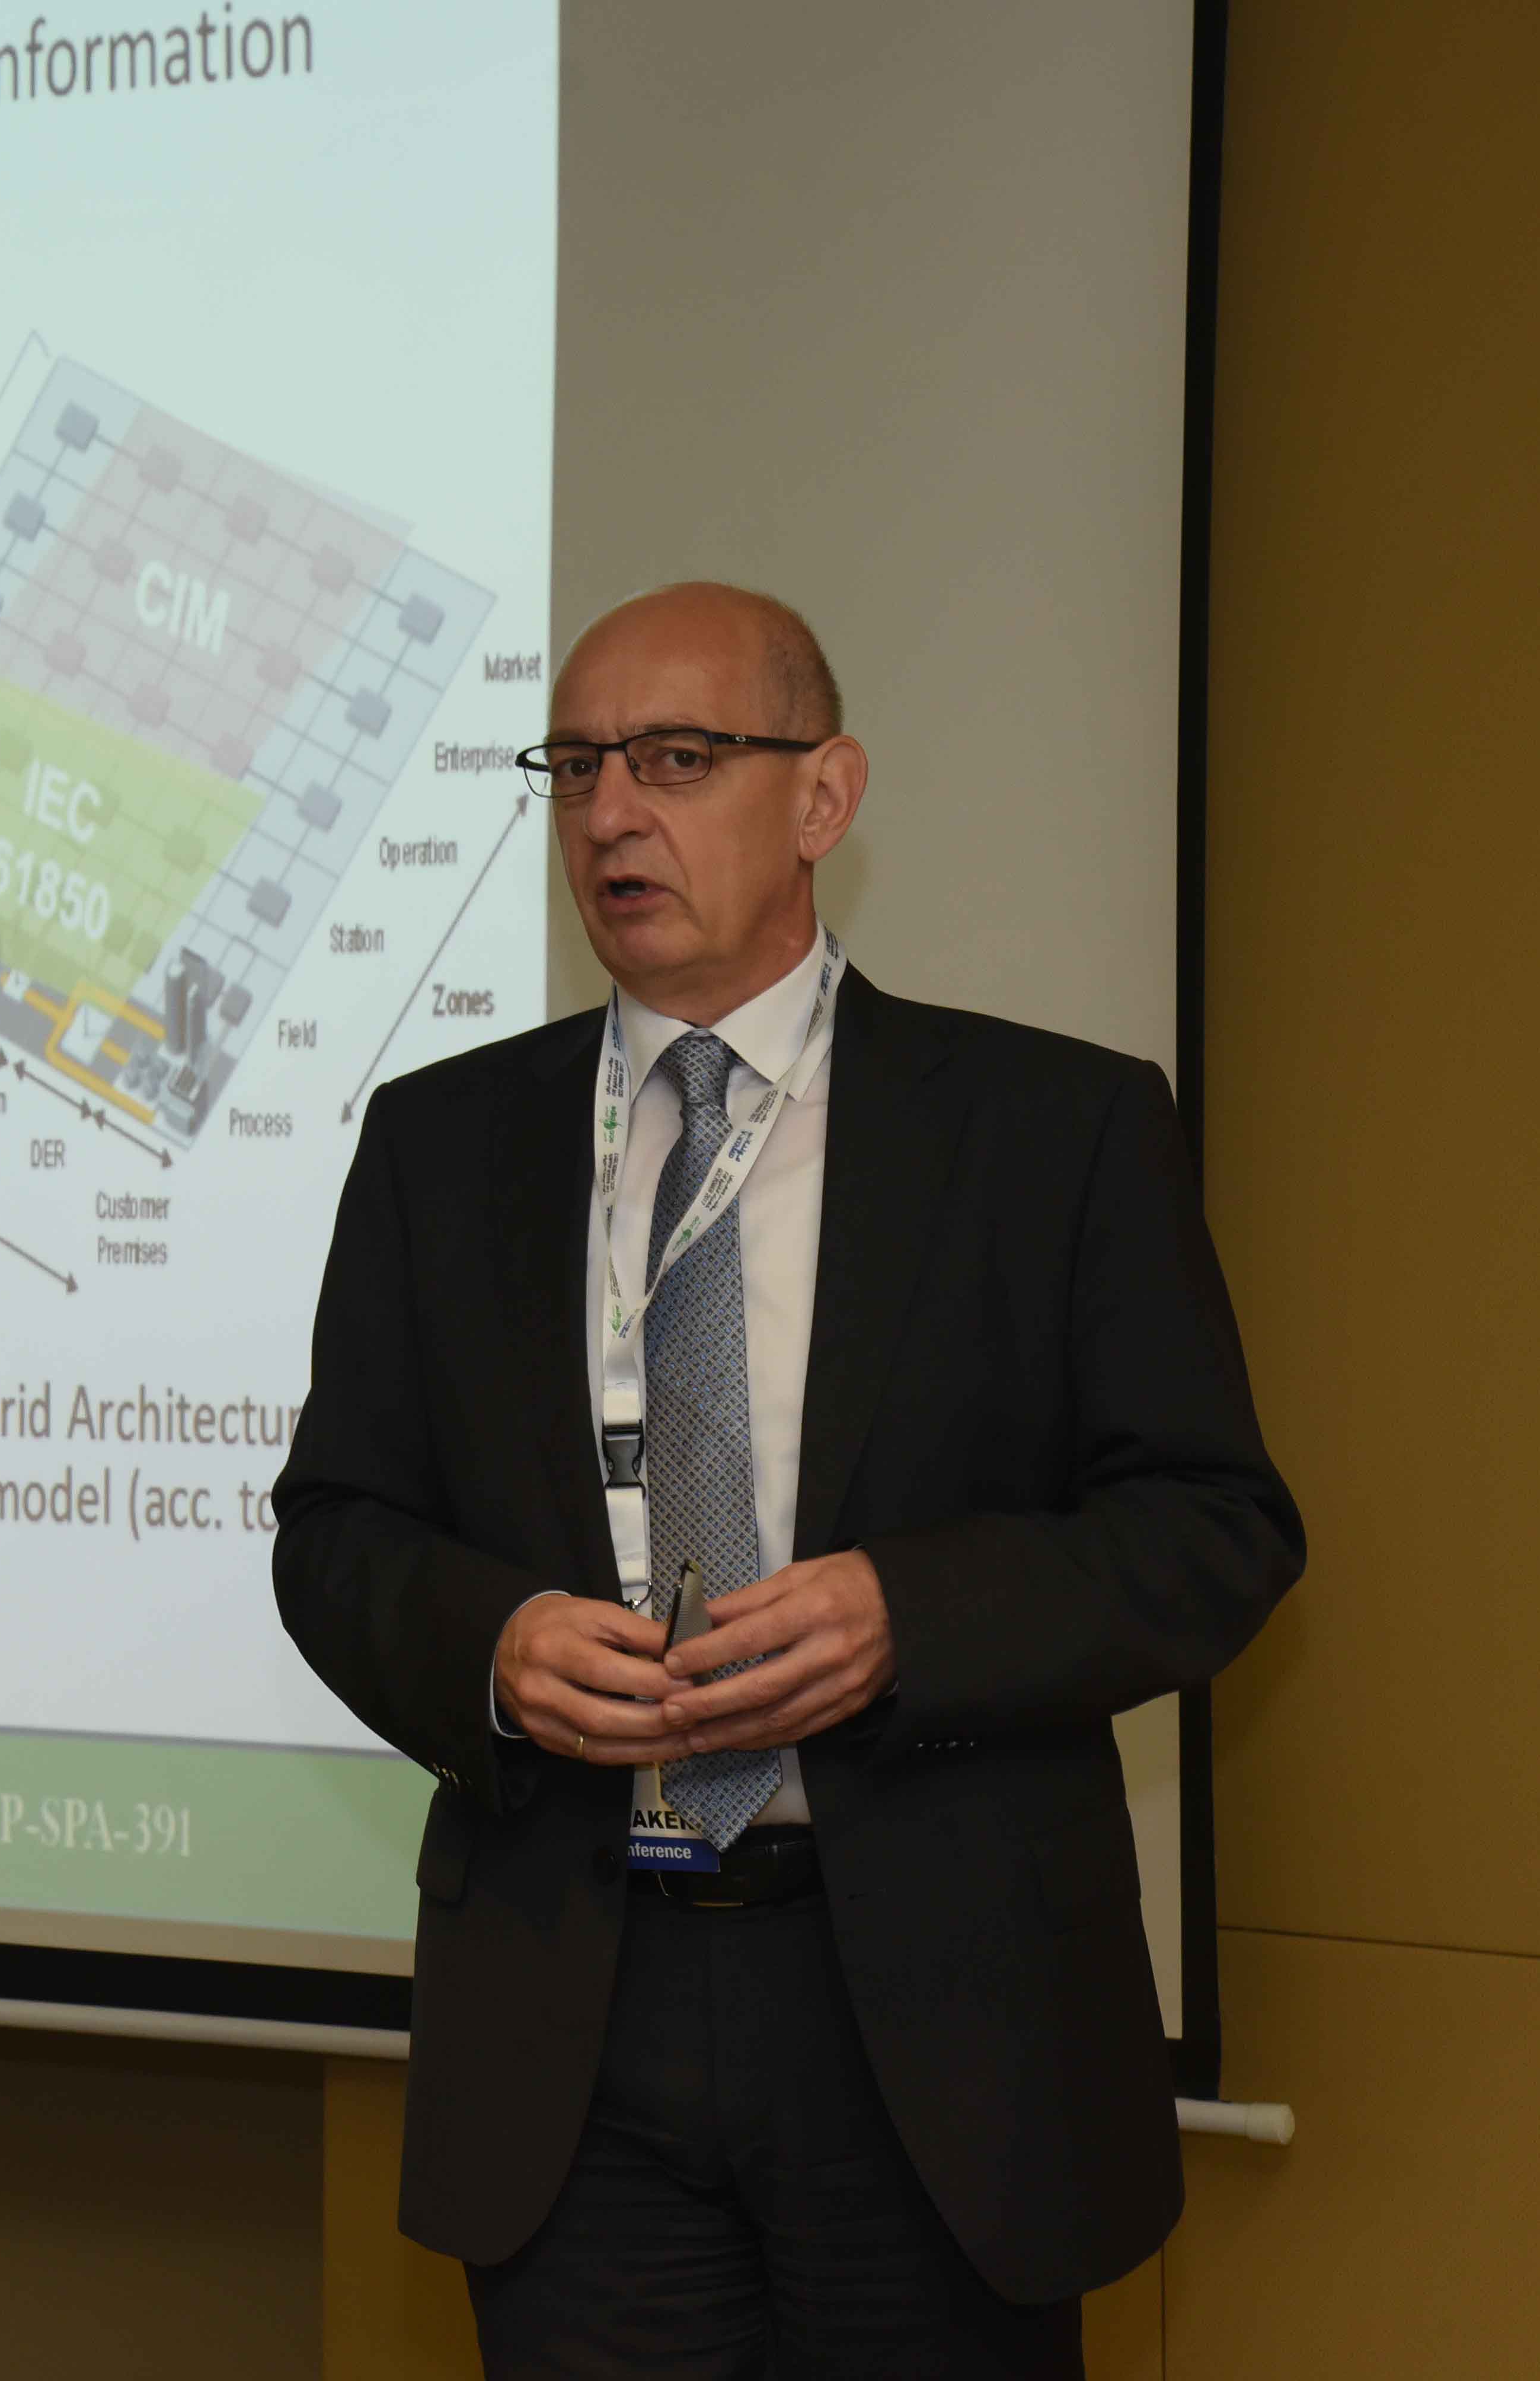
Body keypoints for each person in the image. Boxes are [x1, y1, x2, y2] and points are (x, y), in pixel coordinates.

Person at [271, 583, 1302, 2376]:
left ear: (825, 796)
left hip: (934, 2024)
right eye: (576, 766)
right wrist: (493, 1647)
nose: (610, 813)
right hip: (573, 2021)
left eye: (676, 760)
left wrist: (913, 1615)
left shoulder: (1050, 1130)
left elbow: (1214, 1529)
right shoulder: (442, 1143)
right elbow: (338, 1531)